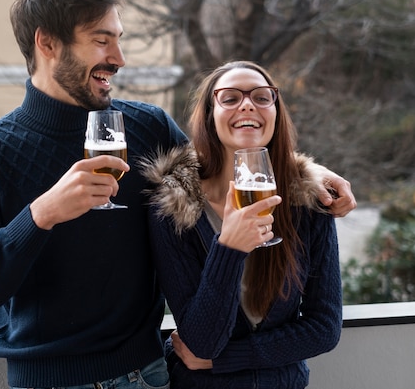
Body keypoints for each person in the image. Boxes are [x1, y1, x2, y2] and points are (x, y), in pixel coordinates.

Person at [0, 0, 354, 388]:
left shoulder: (146, 127)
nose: (118, 57)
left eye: (118, 39)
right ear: (47, 43)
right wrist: (42, 213)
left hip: (147, 376)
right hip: (47, 380)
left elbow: (218, 164)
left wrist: (306, 172)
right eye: (102, 40)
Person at [140, 60, 343, 389]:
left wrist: (230, 359)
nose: (248, 103)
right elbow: (202, 342)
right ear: (210, 116)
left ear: (275, 114)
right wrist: (229, 248)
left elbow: (324, 328)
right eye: (230, 98)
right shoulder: (172, 208)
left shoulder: (309, 203)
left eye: (262, 97)